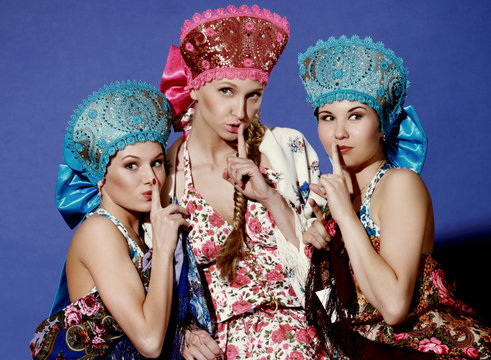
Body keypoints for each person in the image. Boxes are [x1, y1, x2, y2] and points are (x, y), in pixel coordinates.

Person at [298, 35, 491, 359]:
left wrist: (345, 217)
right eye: (327, 117)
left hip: (421, 347)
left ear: (383, 125)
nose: (339, 132)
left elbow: (394, 307)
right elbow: (329, 311)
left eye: (356, 115)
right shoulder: (330, 200)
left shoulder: (400, 184)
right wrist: (311, 248)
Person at [159, 5, 328, 360]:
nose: (240, 111)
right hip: (222, 347)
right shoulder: (166, 175)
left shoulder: (288, 148)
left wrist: (271, 198)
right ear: (194, 88)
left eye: (253, 94)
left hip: (308, 336)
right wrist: (181, 331)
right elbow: (153, 278)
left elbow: (323, 266)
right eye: (226, 91)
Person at [30, 81, 187, 359]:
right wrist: (163, 249)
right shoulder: (99, 231)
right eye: (131, 165)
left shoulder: (144, 233)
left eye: (157, 162)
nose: (150, 178)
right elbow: (150, 342)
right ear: (100, 178)